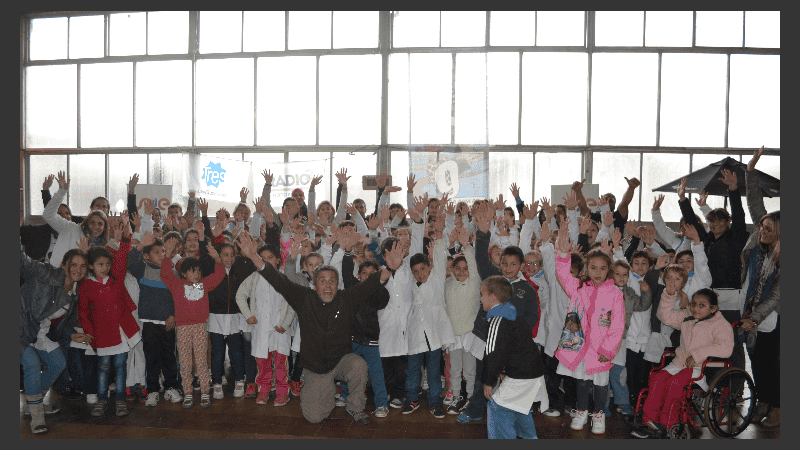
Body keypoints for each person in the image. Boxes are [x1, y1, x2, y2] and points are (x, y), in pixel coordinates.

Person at [236, 232, 403, 426]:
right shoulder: (303, 297)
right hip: (316, 367)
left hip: (341, 361)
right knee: (314, 417)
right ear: (314, 286)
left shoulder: (346, 298)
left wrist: (390, 267)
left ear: (337, 285)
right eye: (322, 280)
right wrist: (254, 257)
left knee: (359, 365)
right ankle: (327, 390)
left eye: (332, 280)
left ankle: (355, 408)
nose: (327, 284)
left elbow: (371, 284)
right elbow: (277, 280)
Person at [631, 287, 733, 438]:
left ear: (713, 308)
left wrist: (699, 354)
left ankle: (668, 423)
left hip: (704, 367)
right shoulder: (687, 317)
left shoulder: (720, 324)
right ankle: (650, 420)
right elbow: (664, 316)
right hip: (681, 363)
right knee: (657, 378)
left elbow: (726, 348)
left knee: (675, 383)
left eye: (701, 305)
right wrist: (669, 295)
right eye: (693, 304)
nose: (695, 308)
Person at [554, 220, 624, 435]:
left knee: (601, 385)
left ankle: (599, 414)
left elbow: (617, 325)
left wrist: (608, 350)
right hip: (580, 346)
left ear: (609, 270)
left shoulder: (615, 293)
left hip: (600, 348)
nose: (598, 272)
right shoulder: (579, 288)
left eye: (603, 268)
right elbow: (564, 276)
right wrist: (564, 256)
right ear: (586, 269)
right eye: (593, 268)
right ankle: (582, 411)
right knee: (582, 382)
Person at [677, 169, 748, 376]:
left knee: (732, 342)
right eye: (712, 221)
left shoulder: (736, 237)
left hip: (731, 296)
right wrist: (682, 199)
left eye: (720, 221)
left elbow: (740, 214)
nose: (715, 225)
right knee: (709, 340)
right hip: (709, 294)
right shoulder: (708, 240)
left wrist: (733, 189)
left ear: (727, 223)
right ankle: (711, 381)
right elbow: (692, 223)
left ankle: (735, 383)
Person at [20, 239, 92, 434]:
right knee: (32, 365)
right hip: (18, 326)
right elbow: (23, 262)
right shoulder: (45, 272)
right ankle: (36, 417)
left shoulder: (74, 293)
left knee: (57, 364)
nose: (78, 269)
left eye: (83, 266)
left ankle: (32, 403)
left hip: (39, 332)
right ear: (63, 264)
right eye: (73, 264)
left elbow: (60, 322)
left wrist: (72, 335)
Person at [78, 212, 140, 417]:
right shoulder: (86, 285)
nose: (104, 268)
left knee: (120, 366)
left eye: (107, 264)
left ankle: (120, 399)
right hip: (102, 334)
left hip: (121, 332)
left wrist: (125, 237)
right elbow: (84, 311)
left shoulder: (116, 278)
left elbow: (122, 257)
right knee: (104, 367)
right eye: (99, 265)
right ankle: (102, 399)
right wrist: (89, 333)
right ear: (91, 266)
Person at [160, 242, 226, 409]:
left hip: (200, 327)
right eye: (193, 271)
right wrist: (167, 256)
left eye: (198, 271)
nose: (197, 274)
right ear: (183, 273)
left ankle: (205, 391)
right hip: (182, 328)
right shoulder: (177, 285)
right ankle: (187, 392)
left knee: (202, 361)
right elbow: (166, 274)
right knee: (185, 361)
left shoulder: (203, 284)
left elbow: (219, 275)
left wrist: (218, 259)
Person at [741, 146, 780, 428]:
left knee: (774, 365)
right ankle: (762, 401)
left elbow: (777, 295)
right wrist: (750, 172)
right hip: (752, 310)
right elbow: (755, 204)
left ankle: (778, 407)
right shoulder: (758, 243)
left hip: (775, 317)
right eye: (762, 227)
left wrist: (754, 319)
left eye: (768, 229)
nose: (763, 230)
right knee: (757, 361)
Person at [481, 276, 547, 439]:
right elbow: (510, 348)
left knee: (498, 406)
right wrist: (504, 370)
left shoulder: (497, 320)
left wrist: (488, 380)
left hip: (523, 374)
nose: (480, 298)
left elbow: (493, 354)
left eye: (482, 294)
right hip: (532, 372)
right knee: (519, 406)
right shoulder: (511, 315)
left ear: (492, 297)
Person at [402, 223, 455, 419]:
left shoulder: (436, 279)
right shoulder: (411, 284)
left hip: (433, 336)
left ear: (429, 267)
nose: (420, 274)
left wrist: (440, 237)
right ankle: (412, 399)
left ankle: (435, 402)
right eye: (415, 271)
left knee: (433, 372)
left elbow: (441, 259)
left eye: (423, 269)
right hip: (416, 335)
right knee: (413, 371)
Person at [338, 230, 392, 418]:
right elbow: (346, 272)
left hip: (370, 341)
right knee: (348, 369)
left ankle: (382, 404)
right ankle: (344, 394)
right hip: (352, 338)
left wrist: (381, 280)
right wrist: (347, 251)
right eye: (364, 273)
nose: (368, 276)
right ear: (358, 275)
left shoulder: (380, 293)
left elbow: (382, 299)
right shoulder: (353, 289)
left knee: (376, 375)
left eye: (372, 274)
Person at [235, 243, 293, 406]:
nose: (266, 261)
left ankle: (282, 391)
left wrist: (285, 323)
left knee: (281, 363)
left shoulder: (283, 278)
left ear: (278, 260)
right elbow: (240, 295)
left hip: (279, 329)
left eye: (270, 258)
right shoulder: (254, 278)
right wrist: (248, 315)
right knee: (263, 363)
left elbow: (292, 303)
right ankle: (264, 390)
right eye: (262, 258)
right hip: (261, 328)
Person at [443, 226, 481, 415]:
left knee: (470, 370)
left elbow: (473, 266)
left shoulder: (474, 283)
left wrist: (466, 246)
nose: (461, 271)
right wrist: (449, 245)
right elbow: (443, 261)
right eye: (457, 268)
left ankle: (471, 398)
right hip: (454, 334)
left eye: (465, 269)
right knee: (455, 369)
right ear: (451, 270)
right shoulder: (447, 284)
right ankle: (456, 397)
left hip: (470, 334)